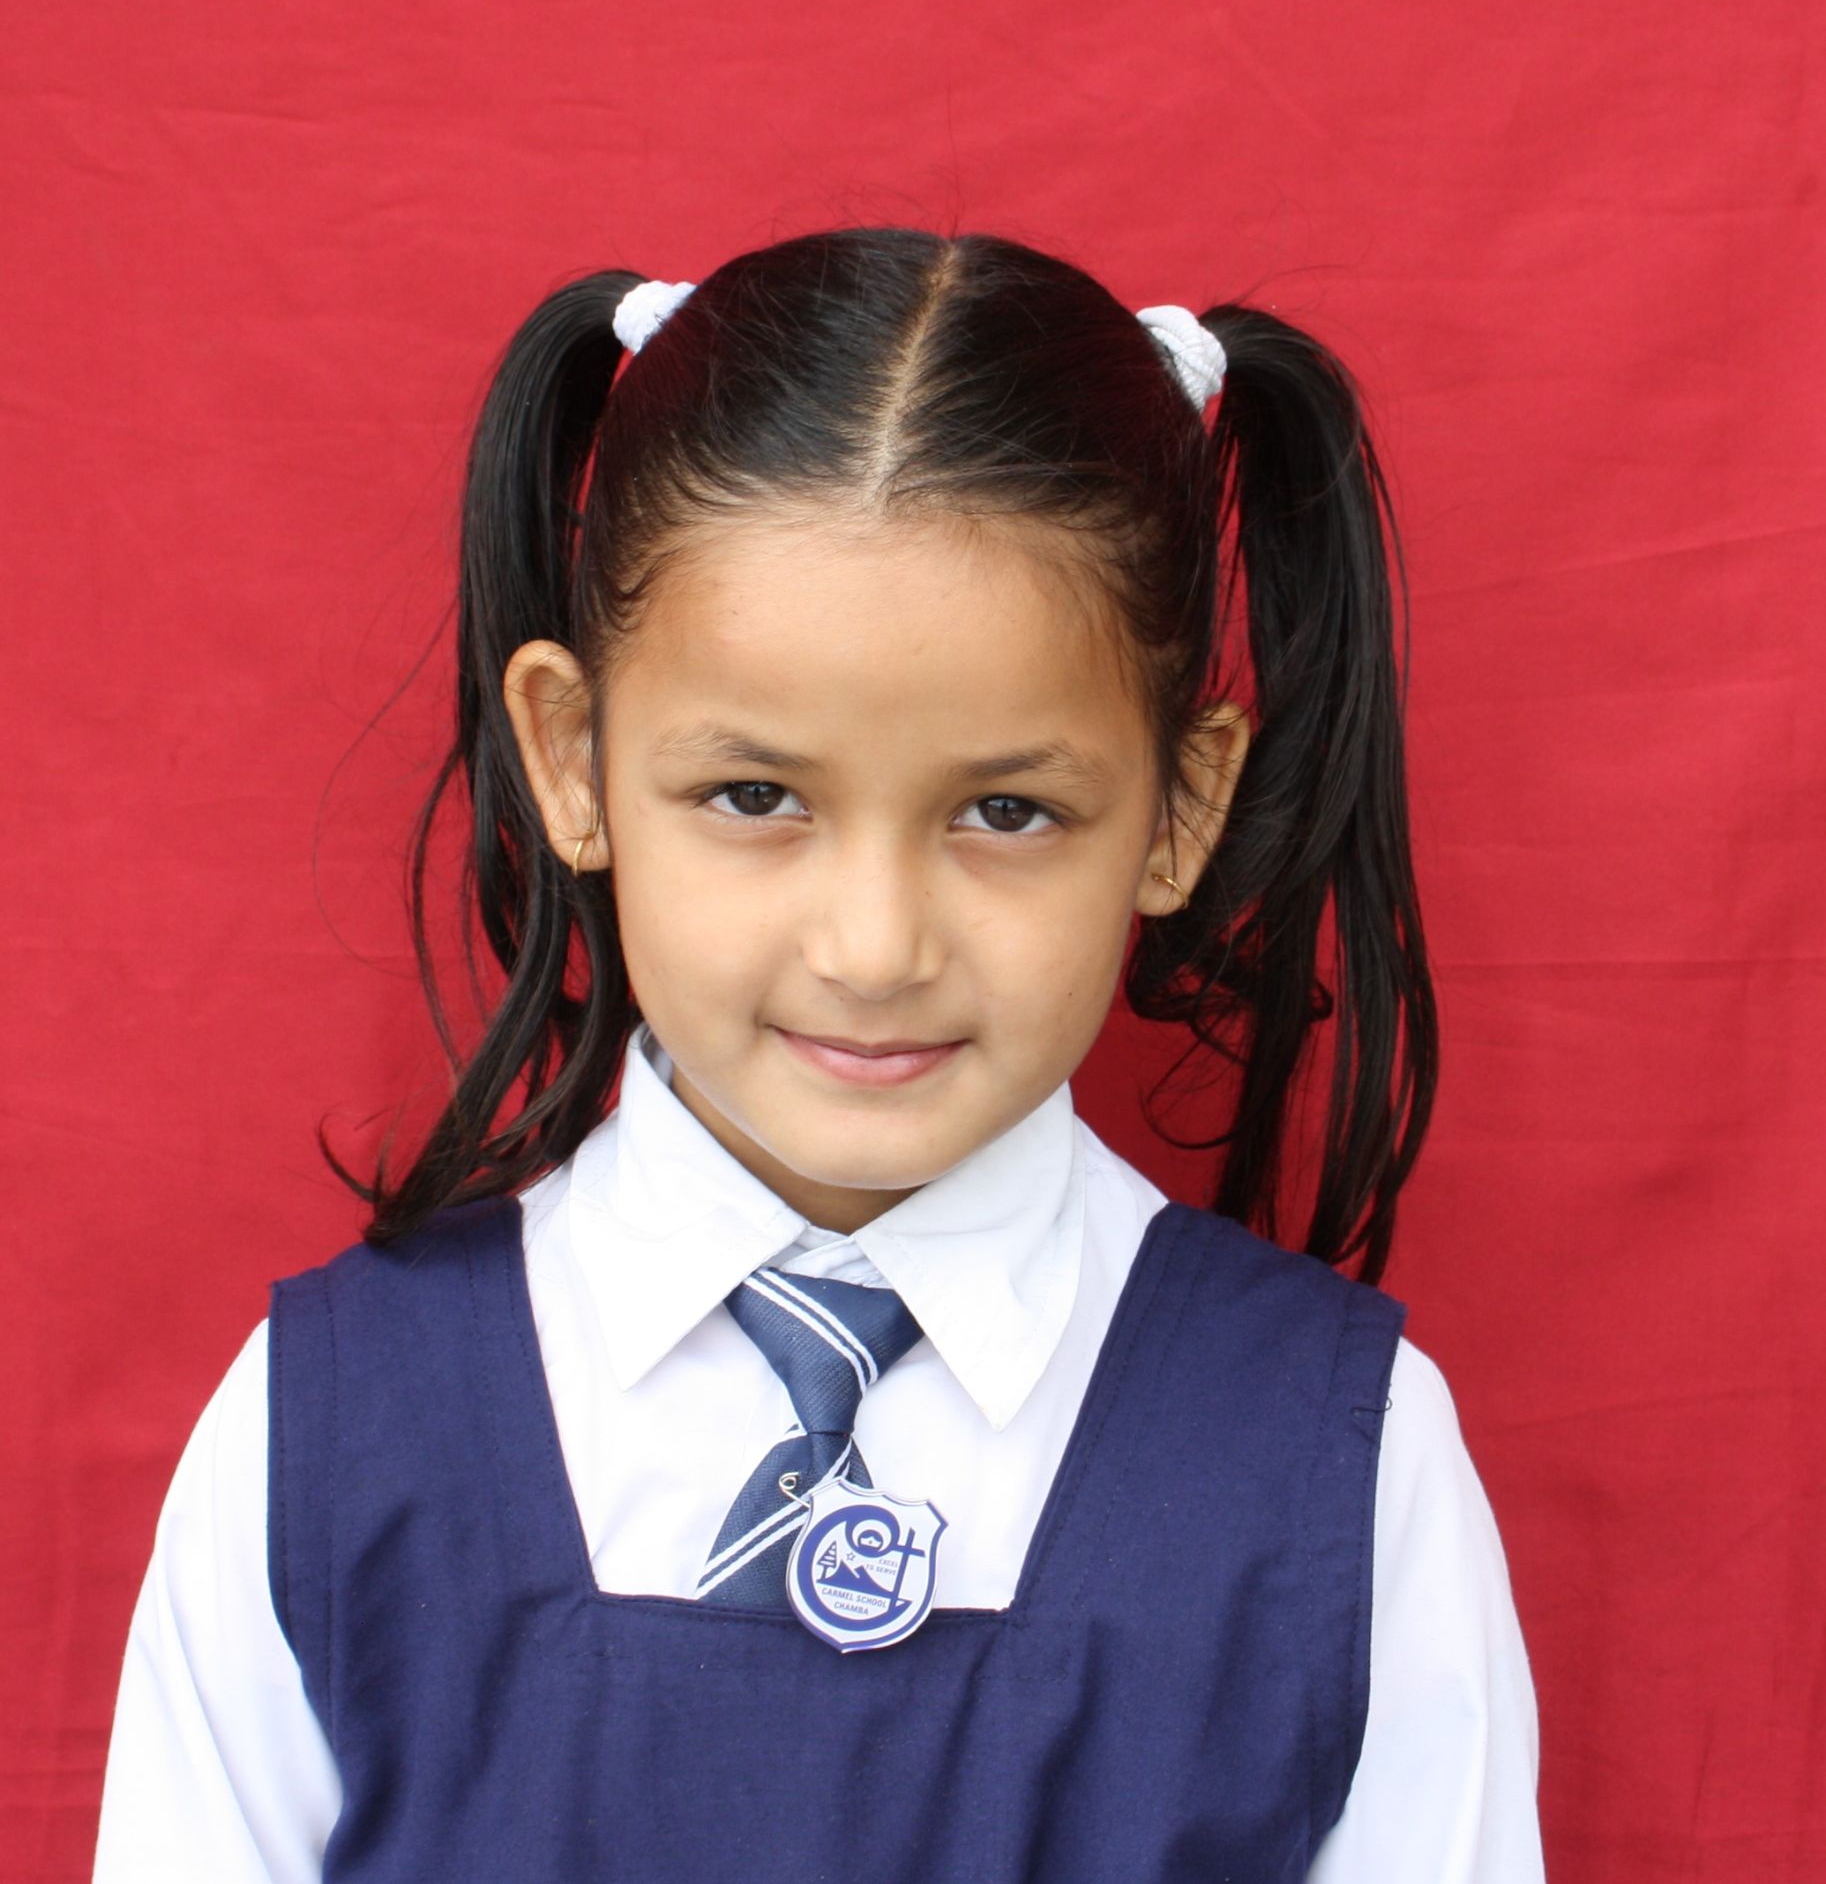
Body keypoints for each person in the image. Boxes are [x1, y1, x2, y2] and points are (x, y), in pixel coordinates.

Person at [93, 226, 1544, 1881]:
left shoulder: (1347, 1464)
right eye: (755, 795)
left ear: (1177, 806)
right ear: (570, 756)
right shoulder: (324, 1429)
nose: (872, 946)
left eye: (1007, 811)